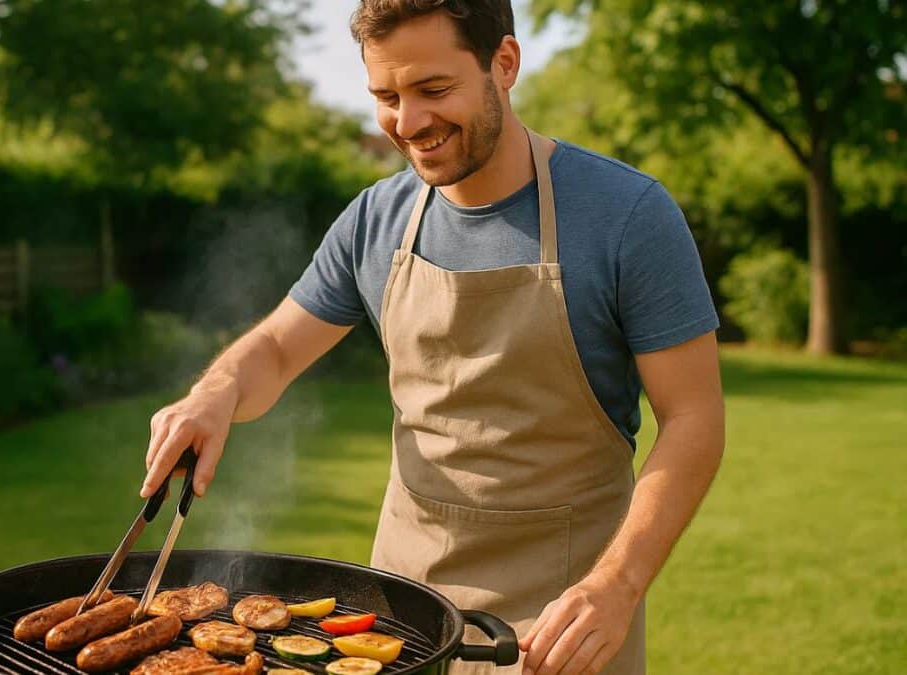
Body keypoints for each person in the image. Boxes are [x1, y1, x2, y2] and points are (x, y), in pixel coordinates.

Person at [141, 2, 725, 674]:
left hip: (567, 620)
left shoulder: (627, 215)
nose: (408, 123)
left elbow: (694, 418)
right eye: (386, 96)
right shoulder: (375, 219)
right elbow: (275, 348)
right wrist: (215, 390)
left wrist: (618, 582)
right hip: (399, 617)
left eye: (433, 90)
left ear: (503, 64)